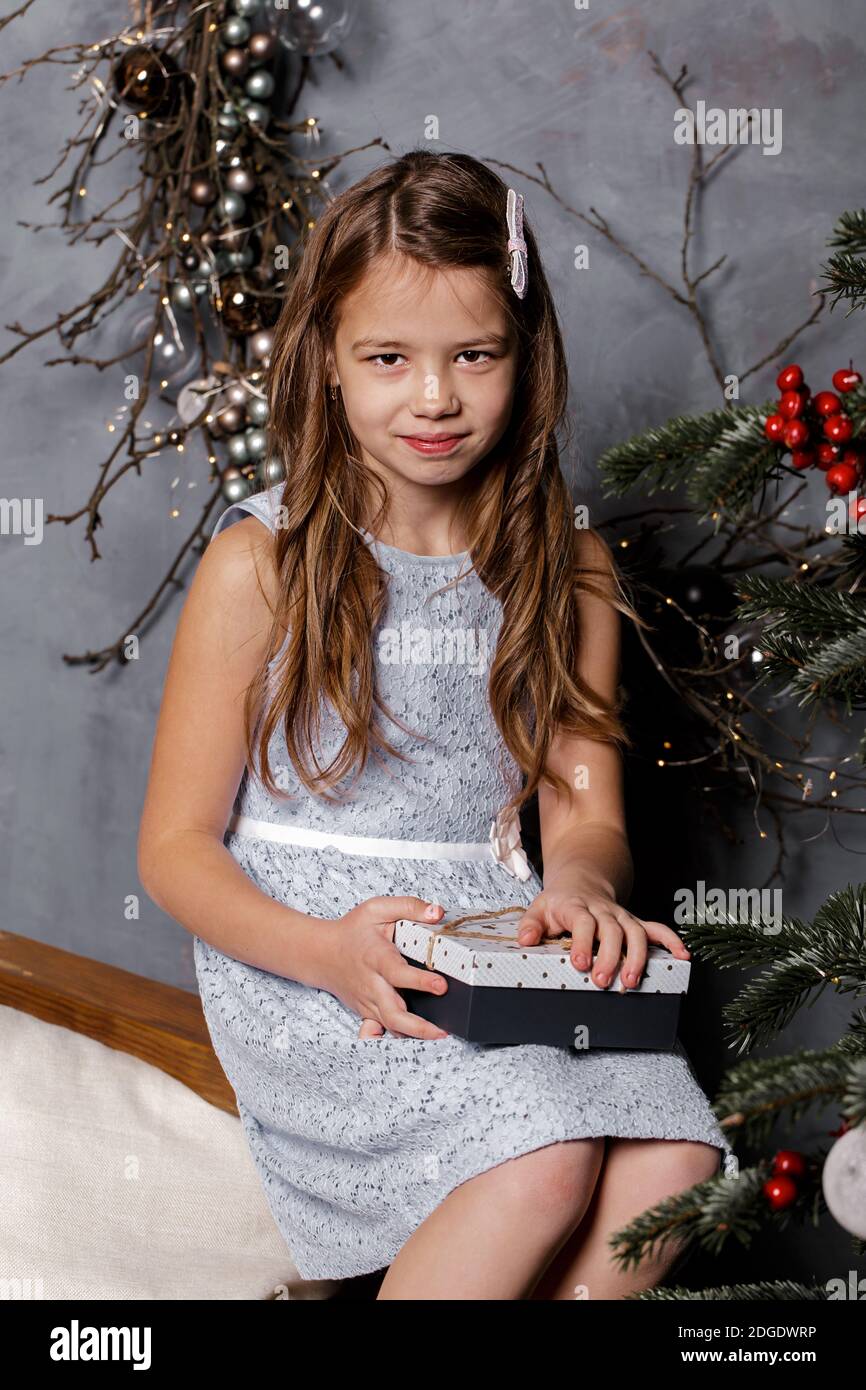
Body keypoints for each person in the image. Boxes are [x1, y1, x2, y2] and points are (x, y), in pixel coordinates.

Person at [138, 149, 735, 1301]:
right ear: (323, 361)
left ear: (526, 357)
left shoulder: (571, 568)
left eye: (474, 355)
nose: (433, 397)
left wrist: (586, 890)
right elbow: (171, 848)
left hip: (493, 934)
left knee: (674, 1165)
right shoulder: (258, 563)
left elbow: (583, 809)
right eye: (387, 359)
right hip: (314, 955)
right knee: (544, 1161)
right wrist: (324, 952)